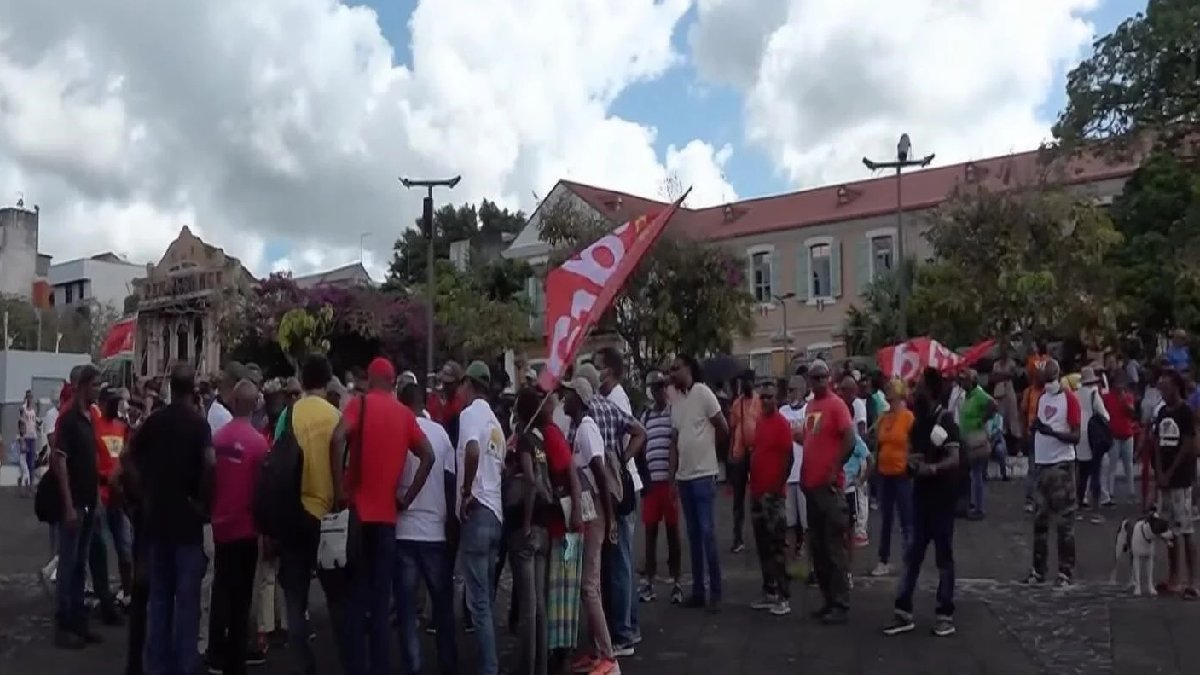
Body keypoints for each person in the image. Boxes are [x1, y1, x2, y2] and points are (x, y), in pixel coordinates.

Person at [342, 357, 435, 675]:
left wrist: (340, 488)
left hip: (358, 513)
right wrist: (406, 498)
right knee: (382, 602)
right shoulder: (403, 415)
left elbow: (336, 438)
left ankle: (356, 666)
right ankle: (381, 665)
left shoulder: (359, 405)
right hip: (387, 518)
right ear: (393, 382)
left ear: (370, 379)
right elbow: (428, 454)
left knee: (356, 597)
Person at [134, 364, 215, 674]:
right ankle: (185, 665)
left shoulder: (154, 423)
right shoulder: (198, 425)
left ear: (170, 387)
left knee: (159, 601)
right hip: (187, 525)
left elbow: (130, 456)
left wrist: (143, 493)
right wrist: (203, 504)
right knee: (187, 604)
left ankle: (157, 666)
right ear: (192, 387)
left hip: (157, 523)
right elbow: (209, 465)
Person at [277, 354, 350, 675]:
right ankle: (345, 660)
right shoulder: (337, 416)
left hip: (294, 515)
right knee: (337, 596)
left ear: (303, 381)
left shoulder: (289, 414)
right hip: (330, 517)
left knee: (295, 597)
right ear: (327, 380)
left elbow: (277, 467)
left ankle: (303, 663)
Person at [883, 368, 961, 638]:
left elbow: (954, 458)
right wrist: (912, 464)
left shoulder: (946, 420)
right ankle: (903, 611)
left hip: (942, 501)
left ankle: (945, 613)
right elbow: (913, 455)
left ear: (931, 390)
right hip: (921, 500)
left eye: (919, 387)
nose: (914, 391)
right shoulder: (917, 423)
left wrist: (932, 469)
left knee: (944, 558)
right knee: (912, 555)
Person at [207, 379, 270, 675]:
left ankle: (215, 653)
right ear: (255, 404)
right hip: (246, 528)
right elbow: (262, 490)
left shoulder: (218, 440)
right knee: (242, 596)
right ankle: (235, 660)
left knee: (221, 590)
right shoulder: (259, 444)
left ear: (232, 402)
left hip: (221, 526)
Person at [395, 383, 458, 675]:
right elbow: (450, 483)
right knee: (442, 605)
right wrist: (450, 523)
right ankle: (448, 664)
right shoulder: (442, 435)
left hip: (404, 530)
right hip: (434, 530)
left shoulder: (397, 433)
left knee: (407, 610)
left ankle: (413, 667)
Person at [559, 377, 619, 675]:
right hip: (590, 513)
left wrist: (609, 519)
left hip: (594, 513)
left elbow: (600, 472)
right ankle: (597, 651)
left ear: (579, 400)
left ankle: (609, 656)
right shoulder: (580, 429)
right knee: (586, 584)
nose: (564, 398)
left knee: (589, 586)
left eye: (568, 394)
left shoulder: (585, 430)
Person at [456, 360, 507, 675]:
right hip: (496, 515)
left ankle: (489, 667)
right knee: (485, 597)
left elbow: (472, 452)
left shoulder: (470, 414)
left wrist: (465, 491)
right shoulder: (496, 423)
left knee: (479, 604)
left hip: (476, 513)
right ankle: (489, 662)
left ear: (468, 384)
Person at [795, 360, 854, 625]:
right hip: (811, 486)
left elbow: (850, 439)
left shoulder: (836, 405)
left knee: (833, 548)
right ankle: (828, 599)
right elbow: (811, 439)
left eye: (821, 377)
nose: (817, 382)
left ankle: (840, 603)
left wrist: (835, 468)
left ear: (828, 378)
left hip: (829, 488)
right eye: (813, 378)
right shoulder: (810, 406)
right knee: (818, 548)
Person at [668, 354, 729, 612]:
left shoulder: (703, 393)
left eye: (676, 368)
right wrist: (672, 475)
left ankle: (715, 591)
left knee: (706, 534)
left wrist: (710, 453)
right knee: (692, 535)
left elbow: (722, 426)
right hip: (684, 477)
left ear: (689, 369)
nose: (672, 373)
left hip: (703, 475)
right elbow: (674, 440)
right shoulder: (676, 400)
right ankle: (698, 592)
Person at [593, 347, 644, 649]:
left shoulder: (613, 400)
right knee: (621, 561)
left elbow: (638, 433)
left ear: (608, 370)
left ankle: (623, 631)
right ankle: (629, 625)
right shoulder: (615, 397)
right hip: (624, 484)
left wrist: (620, 461)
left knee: (620, 562)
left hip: (621, 488)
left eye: (597, 365)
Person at [50, 364, 103, 650]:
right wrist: (69, 505)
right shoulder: (69, 419)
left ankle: (79, 622)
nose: (98, 389)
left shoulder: (88, 418)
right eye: (94, 384)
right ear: (83, 386)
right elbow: (60, 462)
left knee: (80, 565)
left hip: (88, 502)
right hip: (74, 504)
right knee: (68, 564)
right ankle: (64, 624)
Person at [1027, 358, 1080, 587]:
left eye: (1049, 378)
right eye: (1043, 378)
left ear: (1057, 376)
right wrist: (1036, 429)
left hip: (1061, 464)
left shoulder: (1069, 399)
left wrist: (1051, 432)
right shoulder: (1041, 398)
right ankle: (1038, 571)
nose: (1045, 382)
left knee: (1064, 522)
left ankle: (1065, 572)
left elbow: (1076, 436)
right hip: (1041, 464)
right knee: (1039, 521)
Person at [747, 380, 793, 616]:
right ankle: (769, 591)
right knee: (763, 545)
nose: (765, 401)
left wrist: (776, 488)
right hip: (756, 492)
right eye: (762, 397)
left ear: (777, 399)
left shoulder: (782, 424)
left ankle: (784, 595)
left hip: (773, 495)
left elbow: (788, 459)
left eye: (769, 397)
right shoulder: (761, 423)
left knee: (777, 547)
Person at [1151, 370, 1198, 598]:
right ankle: (1173, 577)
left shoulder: (1185, 412)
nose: (1163, 392)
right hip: (1165, 479)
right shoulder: (1162, 412)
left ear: (1176, 388)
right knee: (1169, 531)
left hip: (1181, 478)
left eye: (1166, 387)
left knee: (1185, 529)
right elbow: (1157, 443)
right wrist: (1158, 472)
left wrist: (1170, 472)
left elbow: (1188, 444)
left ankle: (1193, 580)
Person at [638, 371, 682, 605]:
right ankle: (649, 582)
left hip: (669, 482)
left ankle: (676, 582)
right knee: (650, 533)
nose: (658, 391)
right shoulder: (646, 416)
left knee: (673, 534)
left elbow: (677, 445)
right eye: (654, 387)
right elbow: (641, 445)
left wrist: (674, 478)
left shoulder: (673, 414)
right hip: (652, 484)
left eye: (661, 386)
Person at [90, 385, 133, 623]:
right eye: (112, 401)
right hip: (101, 496)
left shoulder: (123, 428)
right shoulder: (95, 427)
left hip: (119, 497)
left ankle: (127, 595)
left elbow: (127, 456)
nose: (116, 405)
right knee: (101, 549)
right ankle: (103, 597)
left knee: (125, 548)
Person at [871, 379, 914, 577]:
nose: (888, 396)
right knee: (886, 518)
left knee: (906, 518)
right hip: (884, 474)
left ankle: (910, 557)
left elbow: (914, 444)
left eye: (891, 392)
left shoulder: (908, 418)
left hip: (902, 474)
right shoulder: (883, 418)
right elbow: (876, 443)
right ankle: (883, 559)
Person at [728, 370, 761, 553]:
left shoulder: (759, 402)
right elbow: (733, 430)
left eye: (748, 382)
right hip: (740, 453)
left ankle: (760, 536)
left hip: (756, 453)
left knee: (757, 496)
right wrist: (730, 453)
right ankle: (737, 537)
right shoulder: (737, 403)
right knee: (738, 498)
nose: (746, 385)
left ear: (753, 383)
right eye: (743, 382)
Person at [957, 369, 995, 520]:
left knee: (977, 475)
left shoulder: (979, 394)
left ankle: (978, 508)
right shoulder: (968, 396)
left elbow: (993, 404)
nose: (962, 383)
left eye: (965, 380)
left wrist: (982, 420)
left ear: (972, 381)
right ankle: (973, 505)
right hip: (969, 439)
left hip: (977, 441)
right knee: (974, 475)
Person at [779, 376, 808, 557]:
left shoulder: (809, 410)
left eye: (793, 390)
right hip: (787, 475)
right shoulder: (782, 411)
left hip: (805, 473)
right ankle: (790, 552)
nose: (790, 394)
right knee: (789, 520)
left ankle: (806, 554)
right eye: (788, 390)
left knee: (806, 521)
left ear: (803, 390)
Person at [1076, 366, 1110, 520]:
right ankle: (1094, 510)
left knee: (1081, 475)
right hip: (1093, 436)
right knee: (1095, 472)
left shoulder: (1074, 395)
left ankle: (1078, 507)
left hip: (1078, 436)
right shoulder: (1094, 394)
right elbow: (1104, 415)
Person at [1100, 373, 1137, 506]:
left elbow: (1132, 413)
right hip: (1114, 435)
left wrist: (1124, 401)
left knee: (1129, 466)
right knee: (1112, 466)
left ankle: (1131, 492)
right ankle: (1110, 492)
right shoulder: (1107, 398)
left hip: (1127, 435)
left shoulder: (1128, 397)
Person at [18, 389, 39, 496]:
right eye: (28, 397)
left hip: (33, 437)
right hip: (26, 437)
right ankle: (24, 484)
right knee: (25, 463)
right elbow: (21, 423)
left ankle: (30, 486)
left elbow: (34, 422)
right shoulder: (23, 409)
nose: (30, 398)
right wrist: (22, 440)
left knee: (32, 463)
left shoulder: (33, 410)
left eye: (31, 396)